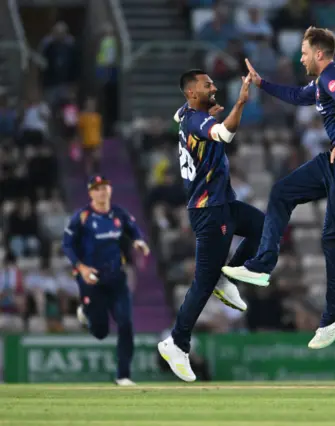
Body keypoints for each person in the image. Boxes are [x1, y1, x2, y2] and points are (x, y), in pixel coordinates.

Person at [222, 27, 335, 350]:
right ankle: (262, 263)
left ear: (320, 54)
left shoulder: (334, 77)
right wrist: (262, 84)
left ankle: (332, 318)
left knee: (332, 237)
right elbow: (298, 96)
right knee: (283, 191)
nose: (300, 58)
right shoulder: (322, 84)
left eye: (304, 52)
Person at [157, 69, 265, 382]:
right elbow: (226, 134)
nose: (214, 87)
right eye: (208, 85)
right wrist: (241, 103)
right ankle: (176, 342)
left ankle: (226, 277)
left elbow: (181, 116)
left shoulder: (188, 115)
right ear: (192, 93)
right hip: (209, 209)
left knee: (265, 226)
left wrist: (207, 113)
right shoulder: (195, 120)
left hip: (223, 205)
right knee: (202, 282)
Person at [62, 176, 150, 386]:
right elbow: (67, 245)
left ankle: (123, 375)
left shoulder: (119, 213)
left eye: (104, 188)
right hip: (91, 279)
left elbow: (132, 228)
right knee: (101, 332)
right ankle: (86, 312)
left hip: (116, 278)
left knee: (126, 323)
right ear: (90, 193)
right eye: (97, 189)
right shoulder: (82, 217)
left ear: (110, 190)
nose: (101, 192)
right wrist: (80, 268)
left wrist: (138, 241)